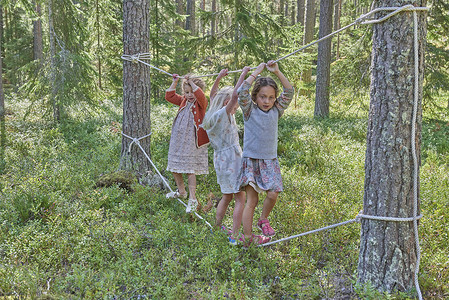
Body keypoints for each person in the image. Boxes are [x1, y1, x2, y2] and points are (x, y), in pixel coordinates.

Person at [236, 60, 294, 246]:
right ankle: (246, 237)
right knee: (251, 201)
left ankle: (263, 220)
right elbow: (241, 92)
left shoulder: (277, 110)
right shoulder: (248, 110)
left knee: (273, 194)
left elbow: (289, 91)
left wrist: (276, 71)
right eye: (262, 97)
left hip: (269, 161)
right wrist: (257, 72)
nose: (267, 101)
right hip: (251, 161)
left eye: (270, 97)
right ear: (255, 97)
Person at [201, 68, 249, 245]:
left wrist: (219, 77)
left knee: (227, 196)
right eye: (234, 106)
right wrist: (243, 74)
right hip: (233, 159)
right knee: (240, 198)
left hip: (220, 161)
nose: (236, 109)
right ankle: (235, 236)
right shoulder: (224, 113)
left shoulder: (213, 113)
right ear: (228, 102)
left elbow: (214, 94)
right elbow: (235, 97)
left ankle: (217, 226)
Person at [165, 73, 209, 213]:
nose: (190, 95)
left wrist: (191, 82)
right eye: (187, 92)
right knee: (174, 166)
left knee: (190, 169)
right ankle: (182, 191)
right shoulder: (183, 100)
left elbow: (200, 96)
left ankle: (193, 199)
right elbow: (169, 96)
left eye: (192, 92)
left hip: (193, 140)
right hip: (179, 139)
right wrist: (175, 82)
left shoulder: (201, 103)